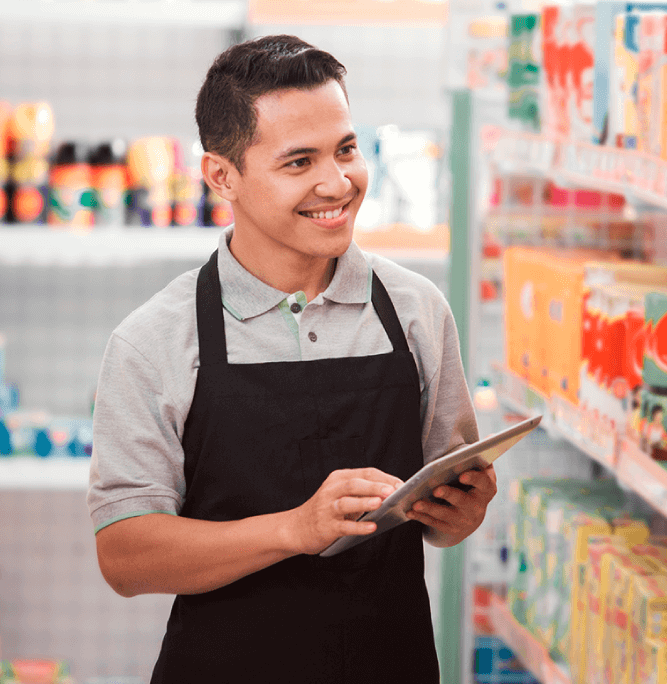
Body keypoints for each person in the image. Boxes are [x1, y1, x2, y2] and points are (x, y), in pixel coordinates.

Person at [87, 35, 490, 683]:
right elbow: (126, 557)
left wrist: (459, 514)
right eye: (299, 162)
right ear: (222, 176)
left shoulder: (416, 311)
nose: (338, 182)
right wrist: (294, 529)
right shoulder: (155, 340)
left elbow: (444, 516)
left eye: (347, 150)